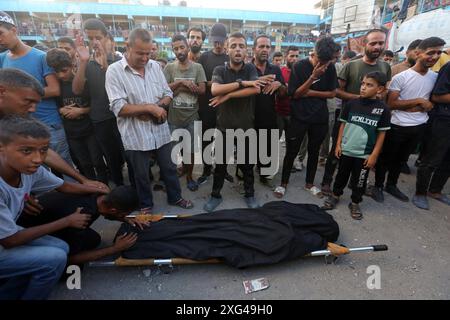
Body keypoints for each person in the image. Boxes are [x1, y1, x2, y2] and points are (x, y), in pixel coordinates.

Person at [0, 116, 107, 300]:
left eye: (43, 151)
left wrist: (94, 187)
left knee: (61, 247)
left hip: (8, 233)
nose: (37, 159)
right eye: (26, 151)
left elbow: (63, 186)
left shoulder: (29, 170)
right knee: (55, 259)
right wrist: (67, 221)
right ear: (2, 148)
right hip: (7, 239)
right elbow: (10, 241)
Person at [105, 28, 193, 213]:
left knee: (169, 168)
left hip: (160, 131)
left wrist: (158, 107)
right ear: (127, 47)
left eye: (148, 52)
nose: (145, 58)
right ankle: (145, 205)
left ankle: (175, 197)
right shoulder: (114, 71)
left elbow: (168, 93)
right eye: (140, 53)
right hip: (135, 136)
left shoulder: (155, 66)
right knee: (141, 175)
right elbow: (118, 107)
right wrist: (148, 108)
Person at [0, 68, 109, 190]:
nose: (32, 109)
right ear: (1, 92)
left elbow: (44, 152)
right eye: (28, 101)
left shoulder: (14, 118)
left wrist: (83, 180)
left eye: (36, 103)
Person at [372, 37, 444, 203]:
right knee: (386, 158)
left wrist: (421, 106)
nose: (434, 57)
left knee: (402, 160)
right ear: (418, 53)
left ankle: (392, 185)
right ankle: (378, 186)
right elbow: (391, 104)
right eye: (430, 52)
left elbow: (433, 100)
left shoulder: (434, 77)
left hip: (419, 126)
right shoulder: (402, 77)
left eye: (439, 53)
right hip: (397, 126)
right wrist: (418, 101)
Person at [320, 29, 392, 195]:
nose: (377, 46)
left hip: (371, 121)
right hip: (348, 117)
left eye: (381, 43)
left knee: (364, 154)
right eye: (373, 43)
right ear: (364, 44)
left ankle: (356, 186)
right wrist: (359, 99)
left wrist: (377, 99)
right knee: (336, 152)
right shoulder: (351, 65)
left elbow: (385, 90)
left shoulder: (385, 67)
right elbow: (336, 91)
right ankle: (327, 181)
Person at [0, 11, 73, 172]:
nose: (0, 39)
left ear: (14, 30)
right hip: (21, 128)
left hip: (49, 124)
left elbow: (54, 89)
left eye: (1, 33)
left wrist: (21, 96)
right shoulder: (3, 59)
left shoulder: (41, 57)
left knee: (64, 166)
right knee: (35, 171)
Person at [203, 32, 263, 212]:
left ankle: (249, 194)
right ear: (227, 49)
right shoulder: (220, 70)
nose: (238, 49)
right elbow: (215, 89)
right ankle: (215, 195)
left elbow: (255, 90)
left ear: (246, 50)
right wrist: (241, 83)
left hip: (246, 126)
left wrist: (227, 95)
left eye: (241, 46)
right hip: (224, 127)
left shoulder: (251, 69)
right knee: (220, 165)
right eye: (234, 46)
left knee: (247, 166)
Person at [274, 37, 339, 199]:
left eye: (327, 62)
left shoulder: (330, 68)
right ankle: (283, 183)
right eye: (320, 60)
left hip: (319, 117)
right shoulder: (300, 66)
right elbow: (295, 94)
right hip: (299, 117)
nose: (323, 65)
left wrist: (309, 93)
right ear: (313, 53)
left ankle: (309, 183)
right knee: (291, 151)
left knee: (314, 151)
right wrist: (313, 77)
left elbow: (332, 93)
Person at [322, 72, 391, 220]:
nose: (363, 88)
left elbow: (382, 135)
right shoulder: (352, 104)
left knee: (359, 181)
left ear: (379, 89)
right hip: (346, 150)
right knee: (341, 175)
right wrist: (338, 144)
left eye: (369, 85)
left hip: (365, 154)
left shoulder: (383, 110)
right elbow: (343, 125)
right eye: (363, 84)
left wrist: (374, 155)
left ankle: (355, 202)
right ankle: (335, 195)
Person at [73, 18, 126, 187]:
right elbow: (77, 90)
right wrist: (82, 62)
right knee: (111, 158)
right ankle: (119, 189)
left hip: (122, 116)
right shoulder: (86, 63)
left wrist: (105, 68)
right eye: (90, 39)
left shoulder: (119, 62)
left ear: (107, 38)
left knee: (129, 154)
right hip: (100, 119)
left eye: (98, 38)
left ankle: (138, 188)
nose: (95, 42)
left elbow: (125, 90)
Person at [46, 48, 108, 184]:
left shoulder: (83, 82)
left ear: (72, 66)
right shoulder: (57, 87)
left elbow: (96, 104)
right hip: (72, 133)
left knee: (98, 161)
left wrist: (81, 111)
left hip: (89, 130)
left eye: (64, 70)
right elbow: (54, 106)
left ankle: (104, 186)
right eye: (56, 72)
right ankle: (93, 188)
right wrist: (61, 110)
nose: (61, 75)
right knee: (84, 164)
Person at [164, 34, 207, 192]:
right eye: (176, 48)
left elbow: (202, 89)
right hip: (173, 118)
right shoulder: (169, 67)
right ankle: (177, 172)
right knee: (173, 151)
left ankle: (190, 177)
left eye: (182, 47)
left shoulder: (197, 68)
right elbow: (163, 89)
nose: (179, 51)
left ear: (187, 47)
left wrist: (177, 88)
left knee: (189, 151)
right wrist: (183, 83)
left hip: (192, 117)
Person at [414, 58, 450, 210]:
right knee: (432, 159)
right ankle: (420, 193)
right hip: (444, 120)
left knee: (448, 160)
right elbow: (436, 96)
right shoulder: (449, 67)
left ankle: (435, 190)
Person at [197, 23, 230, 185]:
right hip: (207, 106)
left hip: (225, 106)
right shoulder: (204, 57)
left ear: (225, 40)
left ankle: (222, 170)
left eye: (221, 41)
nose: (218, 45)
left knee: (224, 141)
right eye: (215, 41)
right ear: (211, 40)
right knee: (206, 139)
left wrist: (220, 86)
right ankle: (206, 169)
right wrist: (216, 84)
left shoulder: (229, 58)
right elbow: (201, 82)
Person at [252, 35, 286, 186]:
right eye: (261, 46)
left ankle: (264, 174)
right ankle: (245, 178)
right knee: (246, 152)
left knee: (266, 151)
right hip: (249, 117)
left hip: (269, 116)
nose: (265, 50)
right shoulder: (247, 68)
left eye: (267, 47)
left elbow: (284, 93)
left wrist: (279, 84)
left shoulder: (275, 69)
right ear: (254, 49)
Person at [275, 46, 299, 143]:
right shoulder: (279, 71)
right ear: (286, 56)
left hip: (294, 114)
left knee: (292, 143)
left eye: (296, 56)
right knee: (273, 142)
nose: (294, 59)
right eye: (292, 56)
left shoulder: (301, 72)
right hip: (279, 112)